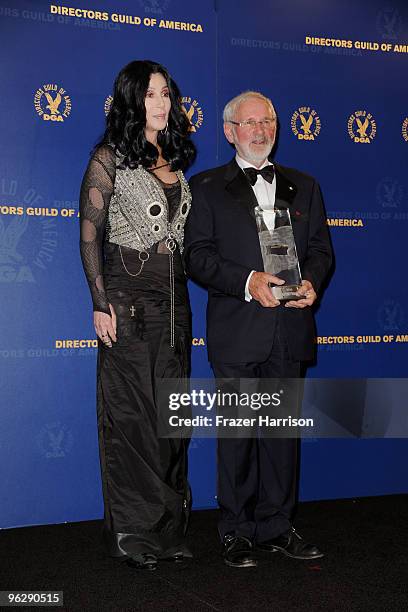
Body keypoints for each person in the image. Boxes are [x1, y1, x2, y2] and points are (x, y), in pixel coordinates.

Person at [184, 91, 332, 568]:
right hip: (237, 330)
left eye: (266, 121)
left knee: (281, 436)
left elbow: (322, 252)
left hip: (289, 331)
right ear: (229, 131)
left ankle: (277, 526)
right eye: (249, 123)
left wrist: (311, 282)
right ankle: (235, 531)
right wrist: (248, 281)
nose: (259, 130)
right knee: (237, 438)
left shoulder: (304, 185)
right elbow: (198, 258)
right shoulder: (206, 187)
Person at [79, 60, 196, 570]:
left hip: (175, 303)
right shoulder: (108, 158)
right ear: (132, 100)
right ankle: (132, 531)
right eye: (150, 94)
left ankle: (169, 529)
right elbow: (89, 235)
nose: (161, 102)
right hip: (126, 300)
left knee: (171, 417)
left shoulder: (174, 159)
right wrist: (99, 303)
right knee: (131, 417)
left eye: (166, 93)